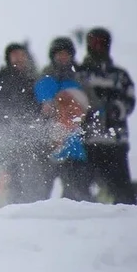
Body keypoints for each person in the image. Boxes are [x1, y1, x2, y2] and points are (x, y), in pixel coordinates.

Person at [79, 27, 137, 205]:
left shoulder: (119, 76)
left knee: (122, 193)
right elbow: (69, 99)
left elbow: (130, 101)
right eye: (94, 42)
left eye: (101, 43)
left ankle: (128, 223)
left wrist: (115, 110)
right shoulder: (80, 74)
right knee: (78, 191)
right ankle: (74, 226)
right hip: (86, 142)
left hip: (115, 142)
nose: (98, 46)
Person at [0, 44, 52, 203]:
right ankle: (13, 209)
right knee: (12, 178)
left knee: (36, 178)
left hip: (33, 137)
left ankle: (36, 208)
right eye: (14, 55)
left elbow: (45, 108)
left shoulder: (36, 80)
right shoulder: (0, 80)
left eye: (22, 54)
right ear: (8, 58)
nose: (18, 58)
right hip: (8, 138)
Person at [34, 37, 91, 201]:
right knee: (42, 192)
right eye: (59, 54)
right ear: (53, 56)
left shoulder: (79, 80)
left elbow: (88, 108)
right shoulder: (43, 79)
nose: (62, 57)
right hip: (48, 144)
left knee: (74, 192)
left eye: (66, 54)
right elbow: (37, 107)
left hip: (74, 146)